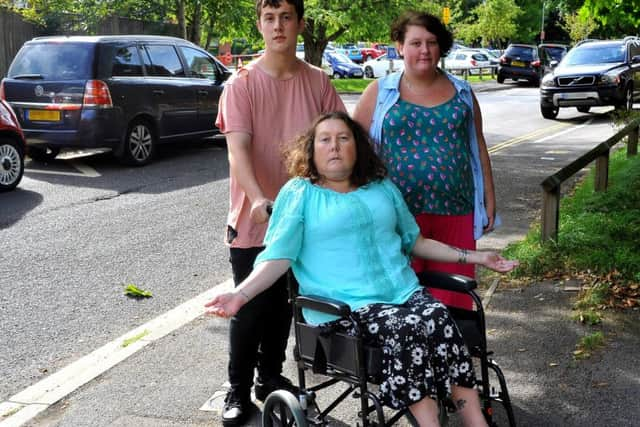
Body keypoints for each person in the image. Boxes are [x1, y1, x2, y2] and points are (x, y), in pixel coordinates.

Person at [206, 112, 518, 427]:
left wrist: (479, 258)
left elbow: (417, 241)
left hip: (403, 292)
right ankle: (429, 423)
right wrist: (240, 295)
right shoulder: (300, 193)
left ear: (358, 147)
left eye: (344, 138)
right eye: (324, 140)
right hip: (346, 307)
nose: (335, 147)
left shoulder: (381, 188)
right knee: (407, 328)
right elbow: (277, 258)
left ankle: (475, 420)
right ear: (311, 151)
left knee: (438, 317)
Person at [214, 0, 345, 425]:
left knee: (285, 305)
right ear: (260, 24)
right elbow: (238, 150)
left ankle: (269, 378)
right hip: (255, 217)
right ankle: (237, 389)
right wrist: (256, 198)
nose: (278, 26)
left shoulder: (318, 82)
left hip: (304, 217)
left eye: (286, 17)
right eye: (269, 18)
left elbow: (339, 141)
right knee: (250, 305)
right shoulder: (242, 83)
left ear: (299, 24)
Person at [353, 11, 498, 310]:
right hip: (396, 215)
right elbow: (355, 149)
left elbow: (477, 146)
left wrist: (488, 199)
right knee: (400, 300)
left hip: (456, 209)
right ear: (399, 47)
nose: (424, 50)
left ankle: (451, 355)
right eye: (416, 42)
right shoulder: (378, 93)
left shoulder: (463, 92)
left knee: (455, 300)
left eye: (431, 42)